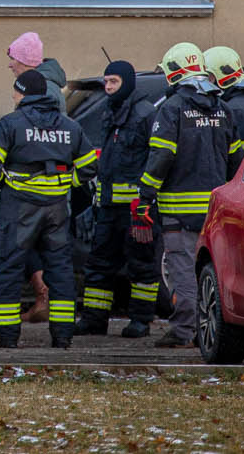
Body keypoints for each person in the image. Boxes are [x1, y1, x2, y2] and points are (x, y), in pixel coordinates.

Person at [0, 69, 98, 349]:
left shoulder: (10, 124)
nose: (13, 96)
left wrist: (5, 181)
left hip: (19, 209)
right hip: (57, 209)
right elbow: (90, 166)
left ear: (22, 93)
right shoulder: (69, 126)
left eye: (15, 91)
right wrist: (64, 183)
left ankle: (9, 339)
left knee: (9, 269)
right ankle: (62, 337)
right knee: (60, 272)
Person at [141, 42, 239, 349]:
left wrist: (145, 192)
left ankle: (185, 329)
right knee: (212, 267)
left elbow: (161, 156)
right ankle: (213, 329)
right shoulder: (223, 108)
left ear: (173, 72)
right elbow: (236, 158)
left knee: (182, 267)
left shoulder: (171, 109)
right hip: (215, 208)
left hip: (179, 208)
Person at [78, 59, 160, 338]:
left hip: (136, 209)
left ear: (127, 83)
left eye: (114, 82)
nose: (108, 88)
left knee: (141, 265)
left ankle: (141, 320)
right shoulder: (110, 111)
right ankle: (94, 319)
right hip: (108, 207)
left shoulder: (145, 114)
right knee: (99, 262)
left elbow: (155, 160)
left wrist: (145, 203)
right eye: (107, 82)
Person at [5, 31, 66, 318]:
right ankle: (47, 301)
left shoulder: (44, 90)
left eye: (14, 59)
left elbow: (42, 137)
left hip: (38, 184)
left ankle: (45, 298)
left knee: (31, 242)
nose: (10, 65)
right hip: (46, 182)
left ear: (26, 62)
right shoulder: (47, 85)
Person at [203, 46, 244, 159]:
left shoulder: (235, 109)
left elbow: (242, 157)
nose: (205, 82)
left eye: (208, 77)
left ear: (220, 77)